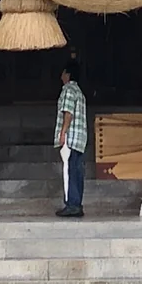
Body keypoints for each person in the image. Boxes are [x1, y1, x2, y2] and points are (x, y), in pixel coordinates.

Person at [54, 59, 87, 218]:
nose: (61, 76)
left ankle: (71, 204)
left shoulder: (68, 90)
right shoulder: (79, 91)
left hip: (71, 137)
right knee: (77, 170)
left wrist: (63, 132)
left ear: (68, 74)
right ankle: (77, 203)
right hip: (80, 139)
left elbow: (68, 112)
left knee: (70, 171)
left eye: (63, 73)